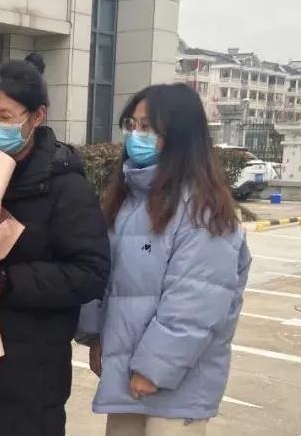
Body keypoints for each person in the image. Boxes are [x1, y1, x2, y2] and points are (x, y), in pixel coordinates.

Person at [0, 60, 111, 436]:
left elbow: (90, 272)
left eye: (5, 116)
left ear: (37, 116)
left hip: (33, 367)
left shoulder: (65, 185)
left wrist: (6, 282)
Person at [80, 83, 251, 436]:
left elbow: (196, 300)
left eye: (148, 128)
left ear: (179, 137)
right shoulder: (127, 200)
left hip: (175, 386)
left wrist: (154, 368)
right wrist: (95, 337)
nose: (136, 136)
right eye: (132, 125)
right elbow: (108, 281)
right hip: (127, 376)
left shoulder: (202, 209)